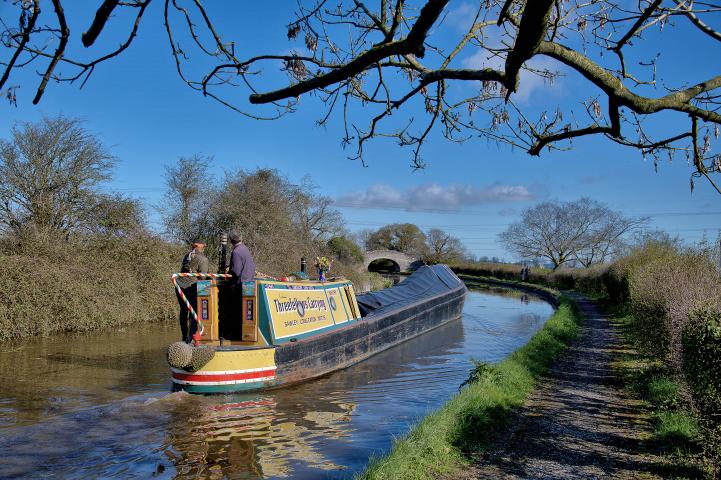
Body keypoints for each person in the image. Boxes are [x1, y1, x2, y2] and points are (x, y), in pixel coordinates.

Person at [176, 240, 209, 342]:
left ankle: (184, 336)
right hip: (191, 287)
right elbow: (203, 278)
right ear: (201, 248)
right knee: (194, 311)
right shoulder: (203, 259)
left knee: (183, 311)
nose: (204, 249)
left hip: (179, 286)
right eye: (203, 247)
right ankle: (191, 337)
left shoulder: (187, 255)